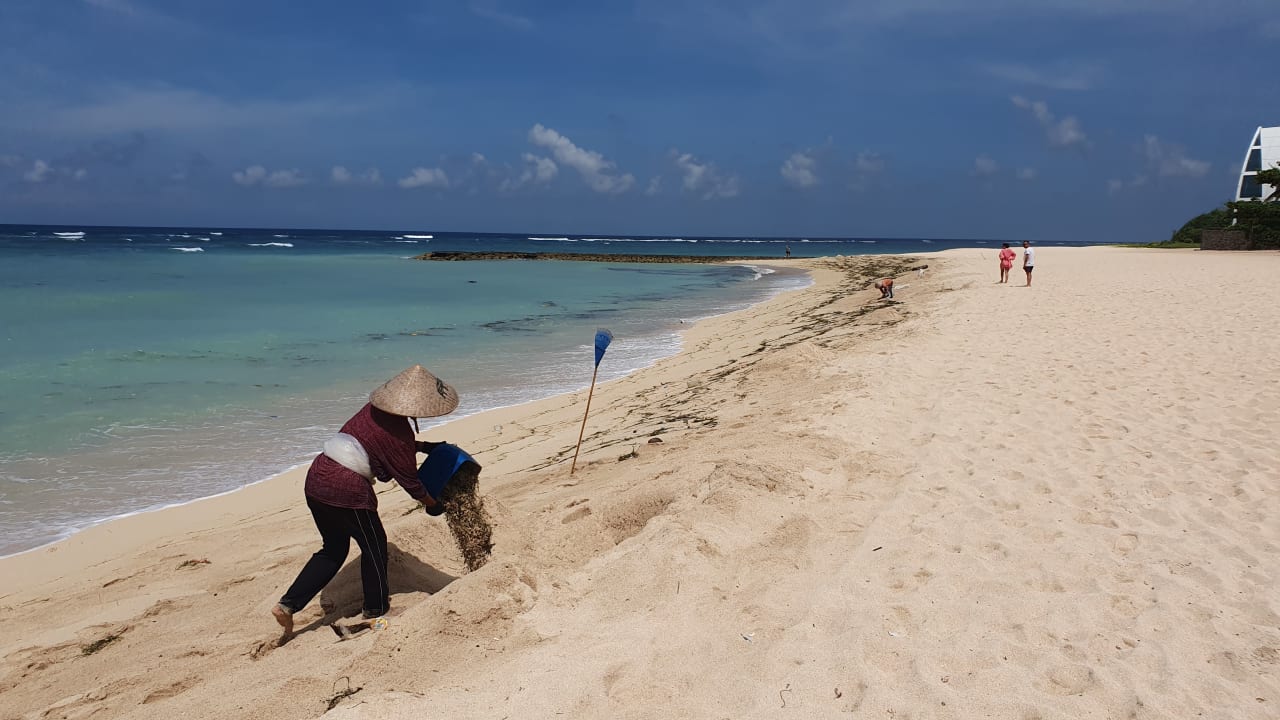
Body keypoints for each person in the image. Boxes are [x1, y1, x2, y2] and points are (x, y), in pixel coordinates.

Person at [272, 364, 459, 634]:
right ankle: (376, 610)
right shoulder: (401, 435)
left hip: (317, 479)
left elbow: (376, 443)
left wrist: (423, 447)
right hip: (348, 490)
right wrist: (434, 506)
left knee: (333, 549)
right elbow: (411, 483)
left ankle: (287, 605)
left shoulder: (369, 412)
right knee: (375, 547)